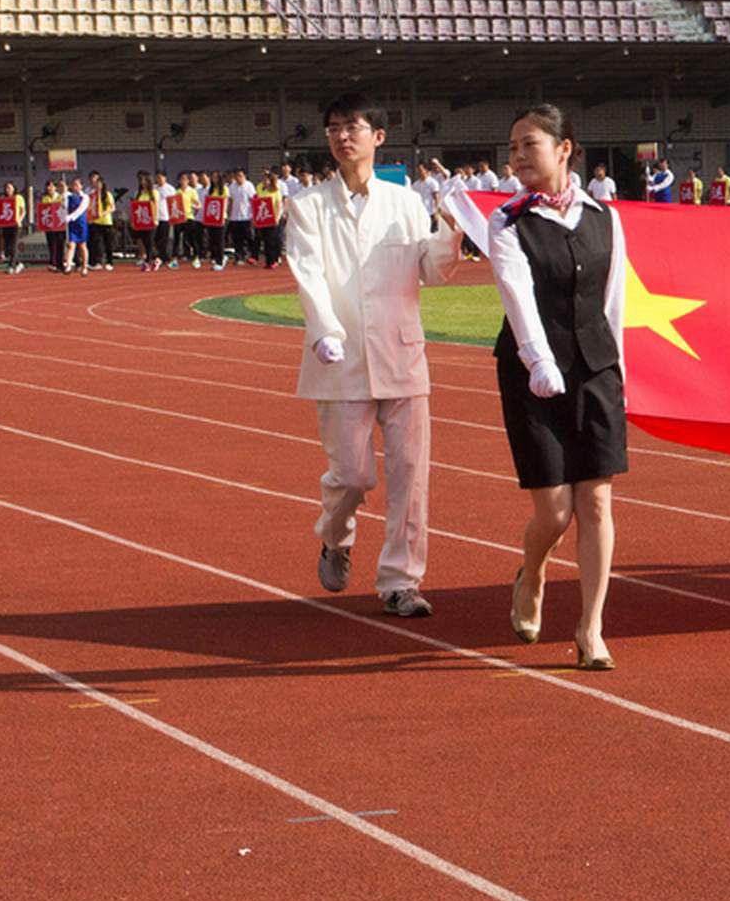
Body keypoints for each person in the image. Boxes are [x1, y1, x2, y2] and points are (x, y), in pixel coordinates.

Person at [284, 91, 462, 620]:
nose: (342, 136)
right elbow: (308, 271)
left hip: (402, 356)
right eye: (334, 128)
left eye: (353, 127)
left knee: (410, 475)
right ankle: (335, 536)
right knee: (352, 475)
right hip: (339, 359)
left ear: (378, 137)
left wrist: (451, 229)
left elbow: (431, 271)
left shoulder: (404, 203)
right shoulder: (309, 205)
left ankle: (401, 581)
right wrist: (324, 330)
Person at [489, 105, 627, 671]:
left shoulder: (605, 218)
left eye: (530, 144)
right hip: (533, 374)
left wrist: (620, 371)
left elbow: (613, 300)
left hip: (596, 369)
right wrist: (539, 361)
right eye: (513, 147)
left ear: (564, 148)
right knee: (555, 510)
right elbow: (517, 298)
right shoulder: (508, 222)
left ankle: (591, 628)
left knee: (595, 499)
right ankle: (533, 571)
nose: (518, 156)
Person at [252, 169, 286, 269]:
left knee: (272, 240)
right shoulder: (261, 191)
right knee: (266, 241)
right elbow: (257, 203)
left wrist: (277, 218)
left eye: (266, 180)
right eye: (263, 179)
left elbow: (279, 205)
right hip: (263, 219)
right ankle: (268, 261)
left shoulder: (276, 191)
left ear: (271, 181)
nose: (264, 181)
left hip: (273, 219)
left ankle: (274, 260)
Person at [129, 172, 161, 271]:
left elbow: (156, 206)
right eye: (140, 180)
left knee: (149, 241)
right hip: (141, 221)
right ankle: (156, 259)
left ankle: (147, 262)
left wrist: (155, 219)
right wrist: (133, 221)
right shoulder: (138, 193)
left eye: (143, 180)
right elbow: (134, 207)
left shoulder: (154, 192)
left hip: (150, 221)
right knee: (143, 241)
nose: (142, 182)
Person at [0, 181, 25, 274]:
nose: (8, 190)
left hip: (16, 225)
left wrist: (20, 219)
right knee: (8, 246)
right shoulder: (3, 199)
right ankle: (18, 263)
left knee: (14, 244)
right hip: (6, 225)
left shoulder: (18, 198)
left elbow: (23, 211)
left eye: (10, 188)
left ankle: (11, 266)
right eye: (6, 188)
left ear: (14, 188)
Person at [227, 169, 257, 263]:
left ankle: (252, 255)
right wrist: (229, 214)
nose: (238, 178)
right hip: (235, 217)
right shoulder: (232, 186)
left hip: (246, 216)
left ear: (244, 176)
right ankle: (239, 257)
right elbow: (230, 201)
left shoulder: (249, 185)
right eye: (236, 176)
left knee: (249, 237)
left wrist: (253, 215)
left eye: (240, 176)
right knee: (236, 239)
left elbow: (253, 201)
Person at [62, 177, 90, 276]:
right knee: (71, 244)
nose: (75, 187)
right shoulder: (68, 196)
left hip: (81, 223)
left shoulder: (85, 197)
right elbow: (64, 207)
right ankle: (68, 265)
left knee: (82, 245)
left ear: (81, 186)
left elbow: (81, 209)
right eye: (73, 185)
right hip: (72, 224)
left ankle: (84, 266)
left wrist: (71, 217)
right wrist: (64, 196)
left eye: (77, 185)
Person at [36, 181, 66, 271]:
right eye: (48, 186)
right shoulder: (44, 198)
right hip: (49, 226)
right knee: (51, 244)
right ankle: (53, 263)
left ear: (55, 187)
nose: (50, 188)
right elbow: (42, 211)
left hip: (60, 225)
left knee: (60, 244)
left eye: (52, 186)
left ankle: (61, 263)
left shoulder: (60, 197)